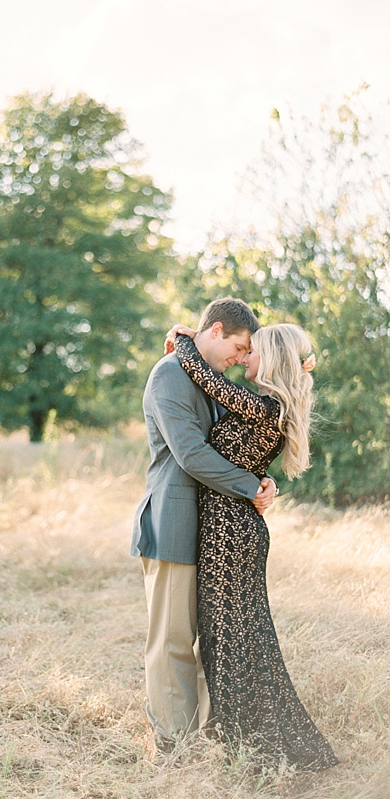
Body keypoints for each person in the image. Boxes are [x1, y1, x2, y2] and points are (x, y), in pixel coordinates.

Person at [163, 320, 338, 771]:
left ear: (272, 359)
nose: (244, 358)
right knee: (241, 641)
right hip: (234, 528)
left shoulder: (263, 404)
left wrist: (183, 339)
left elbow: (204, 375)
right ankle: (254, 745)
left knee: (231, 644)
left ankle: (252, 752)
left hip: (230, 532)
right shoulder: (267, 406)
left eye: (251, 352)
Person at [131, 297, 276, 754]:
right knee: (172, 640)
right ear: (214, 331)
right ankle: (174, 746)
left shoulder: (208, 381)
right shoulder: (170, 373)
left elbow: (231, 446)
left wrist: (263, 477)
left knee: (205, 639)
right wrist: (248, 484)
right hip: (172, 521)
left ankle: (201, 738)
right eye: (237, 346)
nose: (241, 357)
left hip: (210, 528)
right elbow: (191, 454)